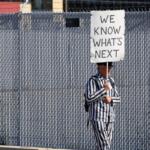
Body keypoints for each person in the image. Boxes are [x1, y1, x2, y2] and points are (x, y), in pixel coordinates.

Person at [84, 62, 120, 150]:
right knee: (104, 145)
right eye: (108, 66)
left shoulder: (111, 81)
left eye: (111, 66)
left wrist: (110, 100)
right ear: (100, 67)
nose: (110, 68)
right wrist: (104, 90)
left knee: (102, 145)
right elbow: (89, 98)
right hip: (98, 117)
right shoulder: (93, 80)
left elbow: (118, 98)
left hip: (110, 118)